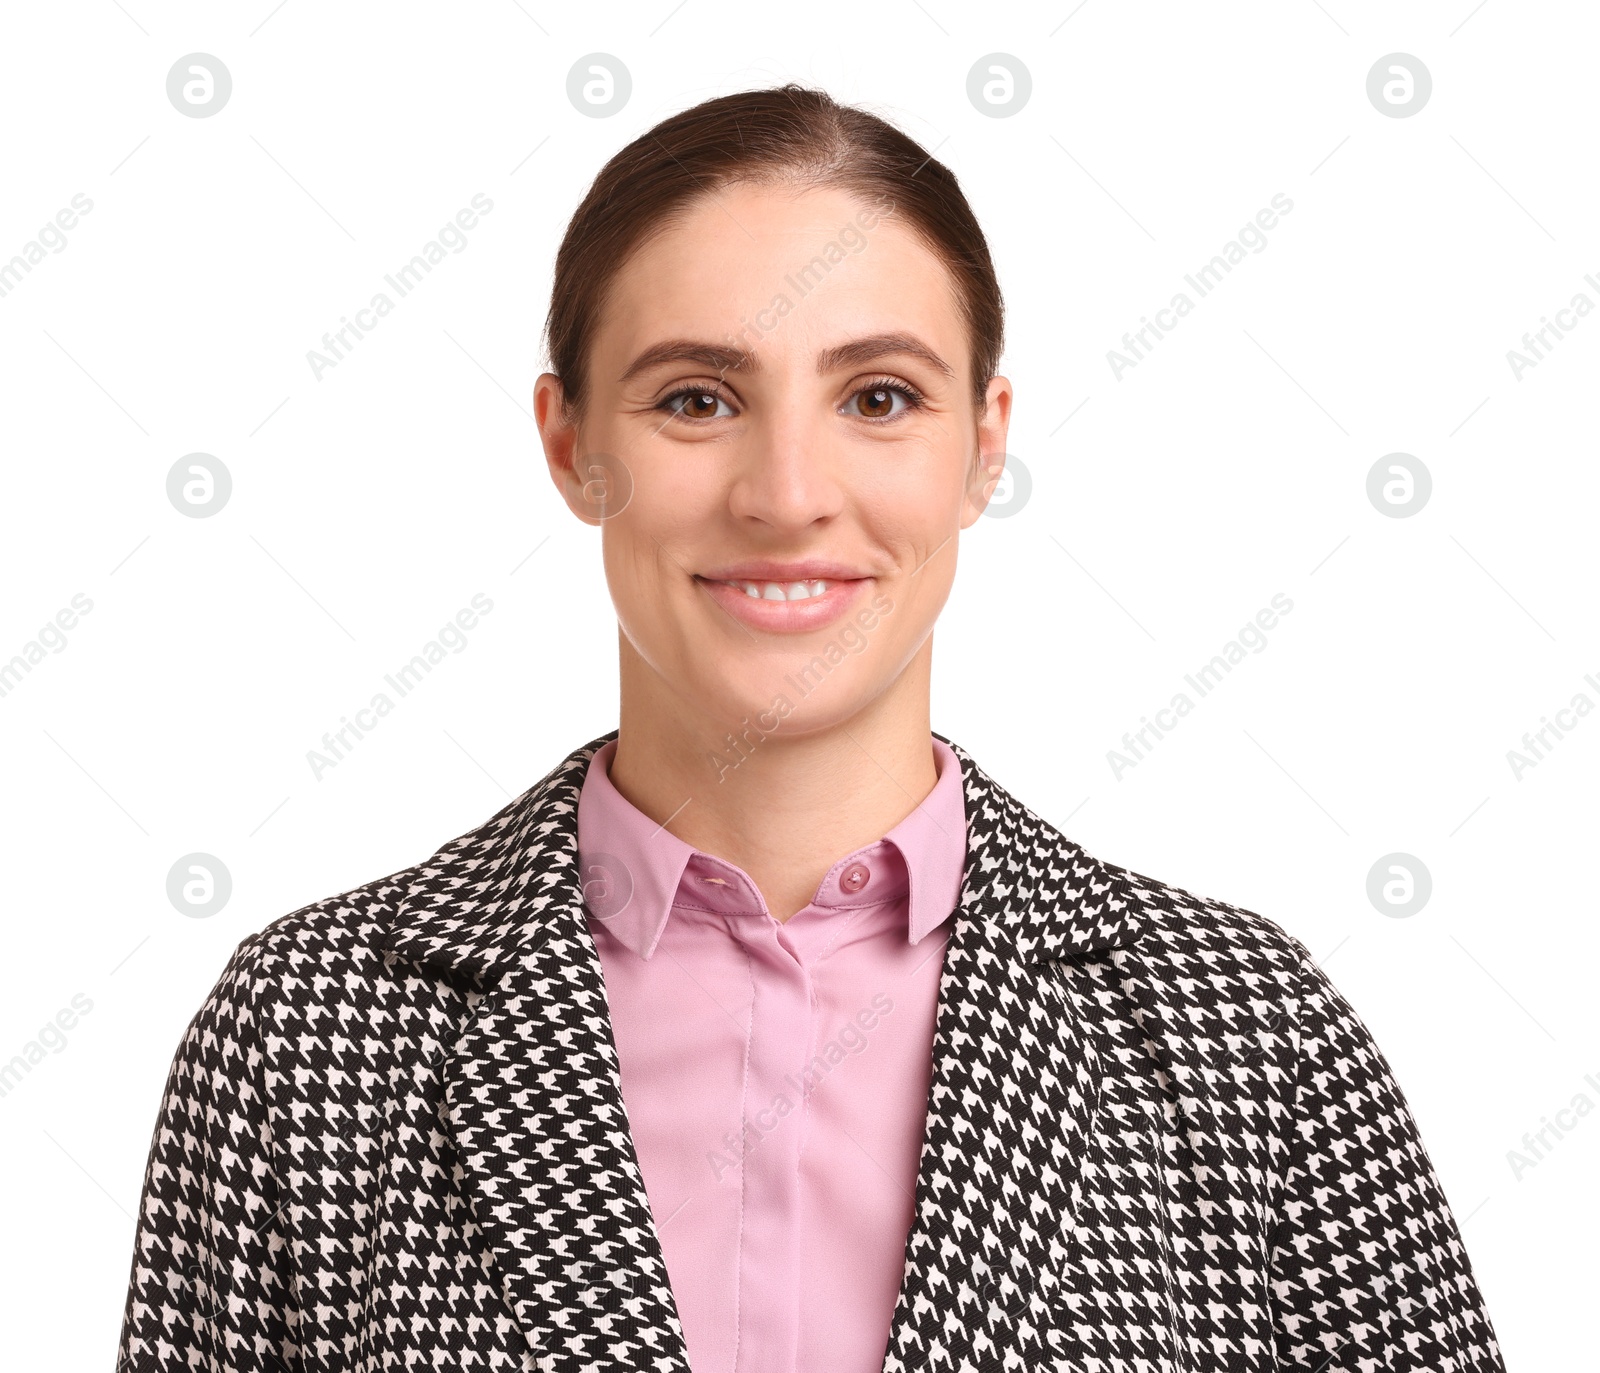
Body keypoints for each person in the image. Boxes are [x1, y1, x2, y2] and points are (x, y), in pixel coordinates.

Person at [118, 84, 1504, 1373]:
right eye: (696, 399)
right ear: (569, 445)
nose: (787, 493)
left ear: (984, 441)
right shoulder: (305, 1040)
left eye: (880, 397)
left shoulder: (1245, 1039)